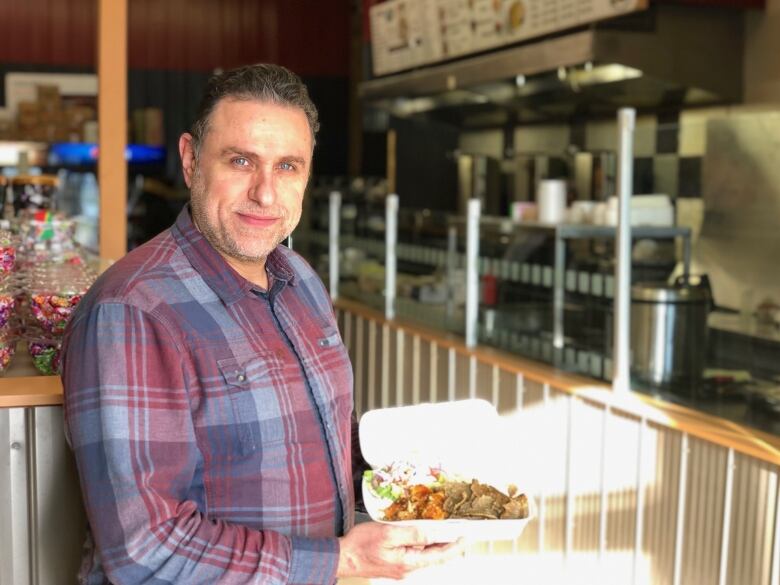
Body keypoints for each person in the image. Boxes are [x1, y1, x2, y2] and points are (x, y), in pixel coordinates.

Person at [62, 63, 463, 584]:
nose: (266, 194)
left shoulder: (300, 281)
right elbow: (144, 550)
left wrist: (414, 474)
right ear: (189, 160)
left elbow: (317, 435)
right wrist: (346, 560)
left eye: (288, 166)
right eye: (241, 161)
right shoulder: (133, 311)